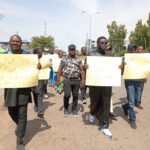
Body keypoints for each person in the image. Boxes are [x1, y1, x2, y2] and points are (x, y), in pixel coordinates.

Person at [4, 35, 35, 150]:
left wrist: (37, 66)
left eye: (18, 41)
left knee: (22, 115)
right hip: (10, 89)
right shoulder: (4, 57)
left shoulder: (27, 56)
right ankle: (20, 126)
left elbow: (34, 67)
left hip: (23, 89)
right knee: (11, 111)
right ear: (10, 43)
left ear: (21, 43)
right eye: (13, 41)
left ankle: (20, 141)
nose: (15, 43)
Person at [85, 36, 112, 138]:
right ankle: (92, 113)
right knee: (95, 101)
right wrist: (85, 67)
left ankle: (104, 125)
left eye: (106, 42)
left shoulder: (110, 55)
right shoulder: (91, 54)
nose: (104, 44)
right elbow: (85, 66)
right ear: (97, 43)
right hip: (95, 83)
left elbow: (114, 69)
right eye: (102, 42)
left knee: (106, 103)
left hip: (106, 83)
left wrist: (120, 67)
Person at [57, 44, 85, 117]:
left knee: (75, 96)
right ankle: (66, 108)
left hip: (76, 80)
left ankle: (74, 110)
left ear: (75, 50)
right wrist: (58, 79)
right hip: (67, 80)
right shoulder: (64, 59)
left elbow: (82, 70)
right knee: (67, 95)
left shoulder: (78, 59)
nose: (72, 51)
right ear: (68, 50)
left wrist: (82, 80)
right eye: (71, 49)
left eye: (73, 49)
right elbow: (60, 69)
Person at [122, 44, 144, 129]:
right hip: (129, 81)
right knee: (131, 102)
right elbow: (120, 70)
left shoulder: (139, 58)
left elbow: (144, 68)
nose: (133, 51)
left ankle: (124, 106)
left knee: (136, 100)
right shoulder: (125, 59)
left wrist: (144, 76)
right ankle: (132, 119)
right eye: (131, 49)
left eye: (135, 49)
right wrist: (123, 66)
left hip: (138, 81)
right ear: (128, 50)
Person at [32, 47, 46, 118]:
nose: (41, 53)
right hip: (32, 79)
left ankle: (40, 111)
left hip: (40, 79)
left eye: (42, 52)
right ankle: (36, 106)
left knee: (40, 94)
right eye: (40, 52)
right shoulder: (30, 60)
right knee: (34, 93)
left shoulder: (43, 59)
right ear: (36, 53)